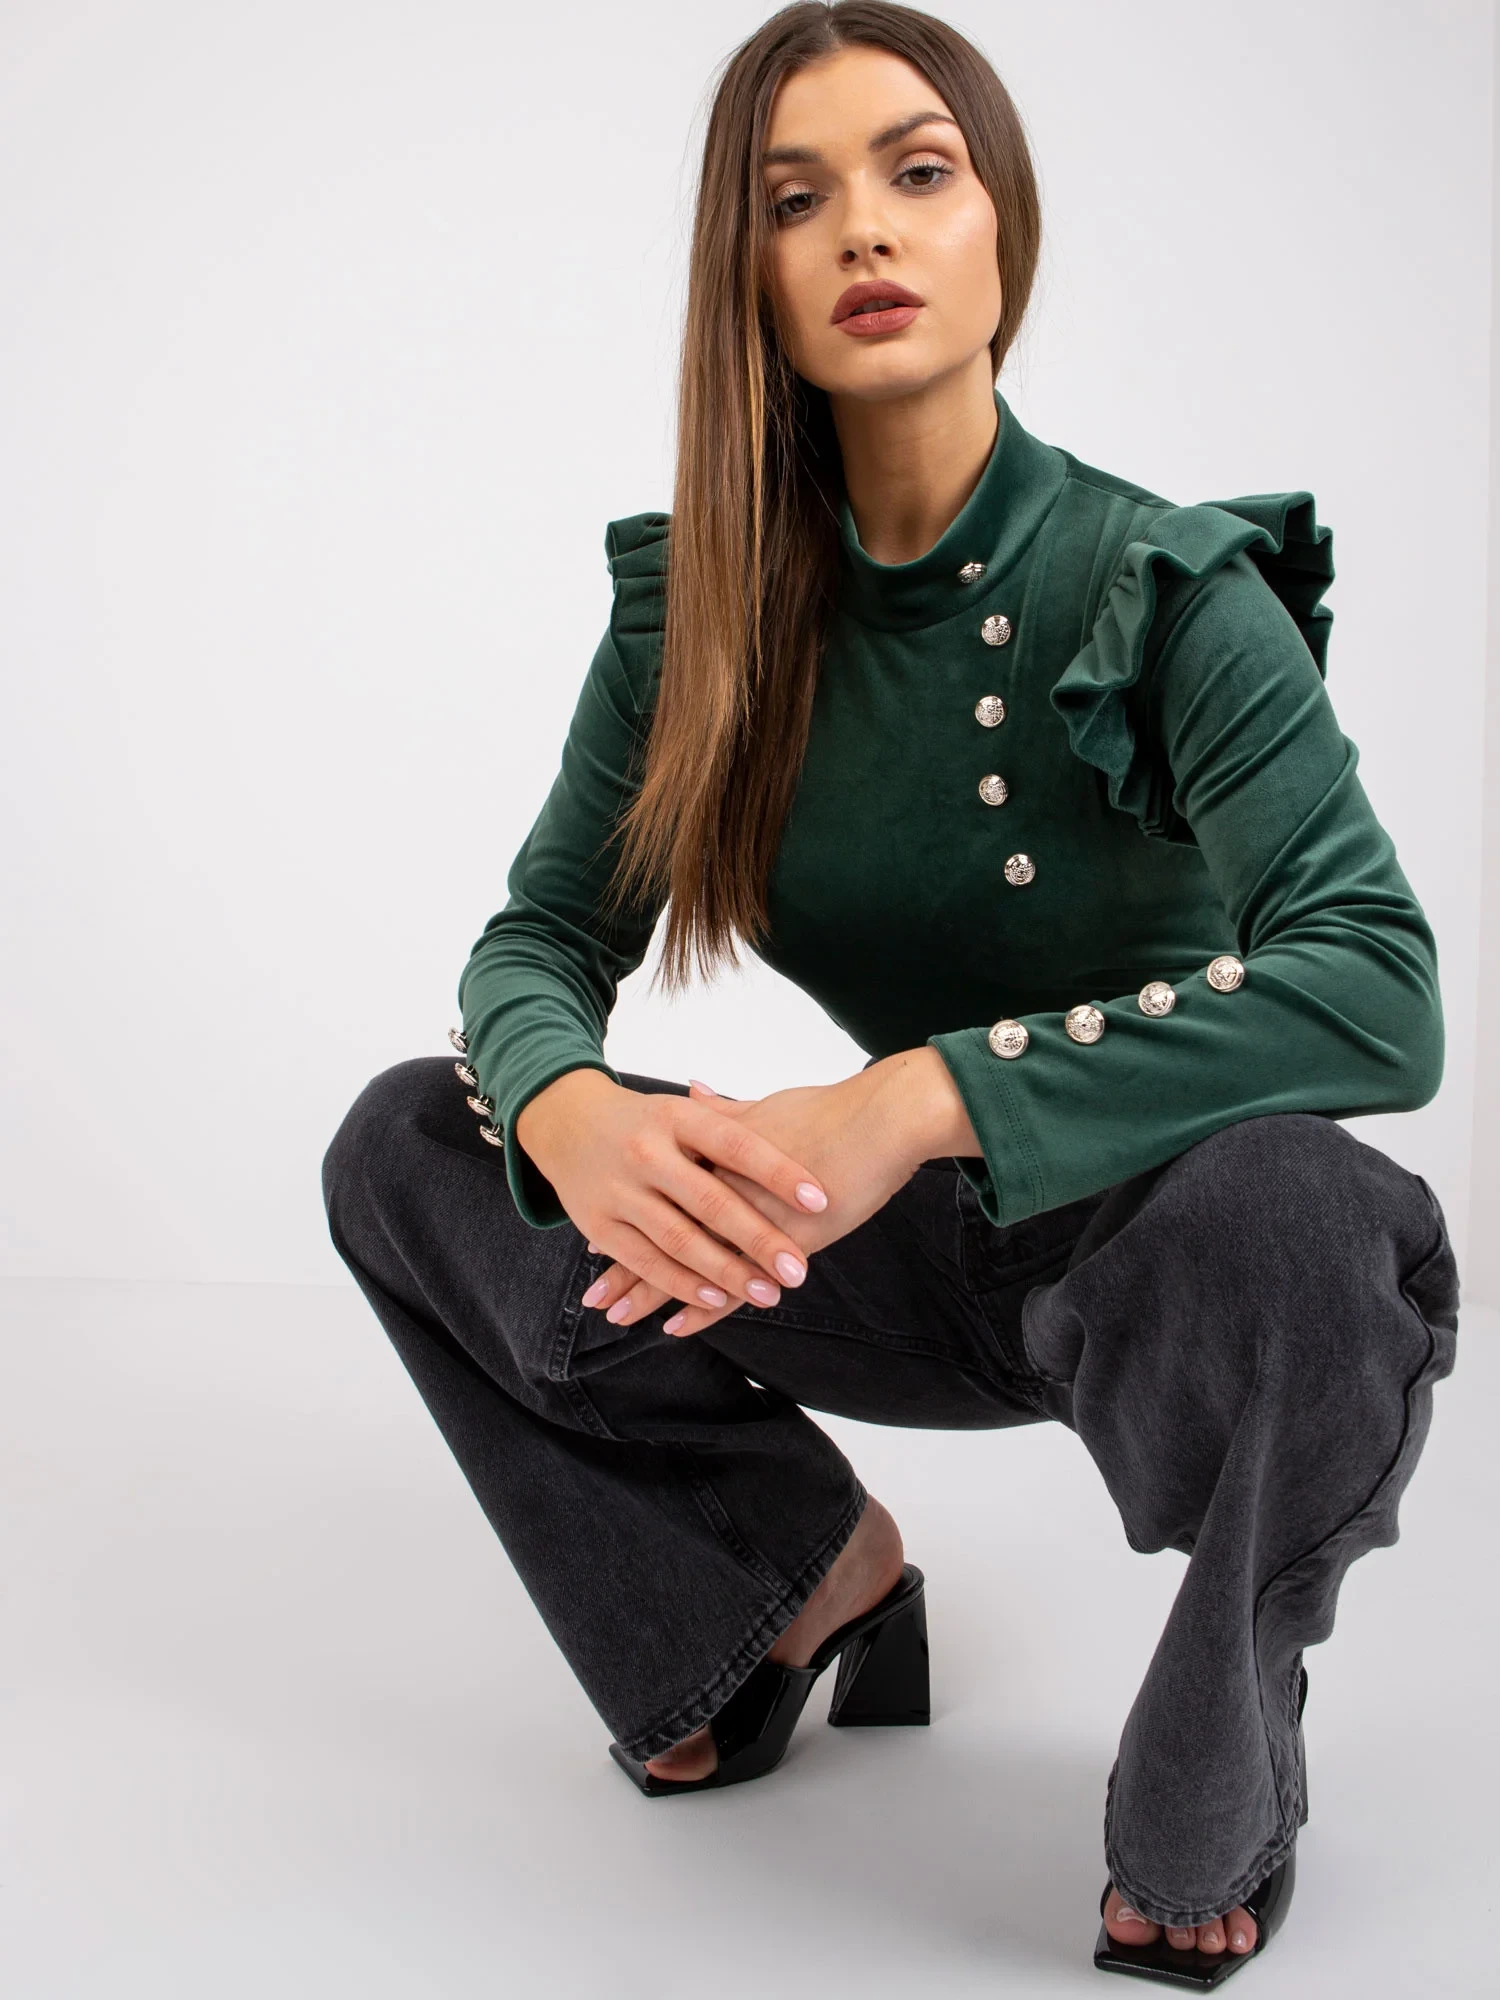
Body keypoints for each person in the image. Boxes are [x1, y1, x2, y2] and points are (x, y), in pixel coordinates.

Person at [321, 2, 1461, 1983]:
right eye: (796, 199)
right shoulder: (707, 622)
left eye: (918, 172)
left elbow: (1379, 989)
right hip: (899, 1253)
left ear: (999, 224)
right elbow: (537, 940)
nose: (863, 228)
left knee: (1309, 1216)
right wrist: (569, 1112)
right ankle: (790, 1574)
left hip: (1165, 1258)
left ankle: (1220, 1758)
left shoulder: (1166, 589)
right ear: (748, 275)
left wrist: (916, 1097)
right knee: (409, 1143)